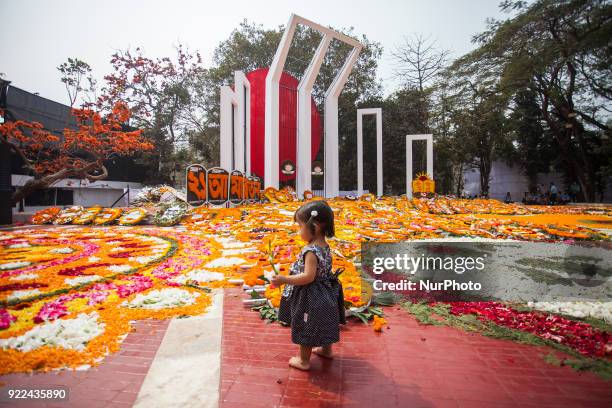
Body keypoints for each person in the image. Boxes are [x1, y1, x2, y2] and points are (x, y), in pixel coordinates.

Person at [271, 200, 346, 371]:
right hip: (327, 291)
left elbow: (308, 277)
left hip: (311, 295)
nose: (299, 231)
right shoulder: (325, 246)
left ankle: (304, 360)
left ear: (317, 226)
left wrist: (284, 279)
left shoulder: (311, 251)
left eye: (300, 226)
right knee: (326, 321)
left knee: (306, 324)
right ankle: (327, 350)